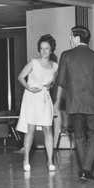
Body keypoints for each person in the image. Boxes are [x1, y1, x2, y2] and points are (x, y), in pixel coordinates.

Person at [55, 26, 94, 181]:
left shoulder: (66, 55)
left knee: (79, 136)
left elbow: (61, 81)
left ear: (76, 37)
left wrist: (74, 88)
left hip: (74, 103)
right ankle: (86, 169)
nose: (70, 40)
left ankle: (85, 170)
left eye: (70, 36)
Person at [16, 34, 58, 172]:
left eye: (47, 48)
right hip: (32, 98)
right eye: (42, 48)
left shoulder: (55, 66)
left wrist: (49, 87)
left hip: (45, 98)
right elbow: (21, 77)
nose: (44, 51)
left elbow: (52, 83)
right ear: (39, 50)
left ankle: (50, 161)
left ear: (51, 50)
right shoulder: (33, 62)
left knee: (48, 129)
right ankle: (26, 159)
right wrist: (29, 88)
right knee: (31, 130)